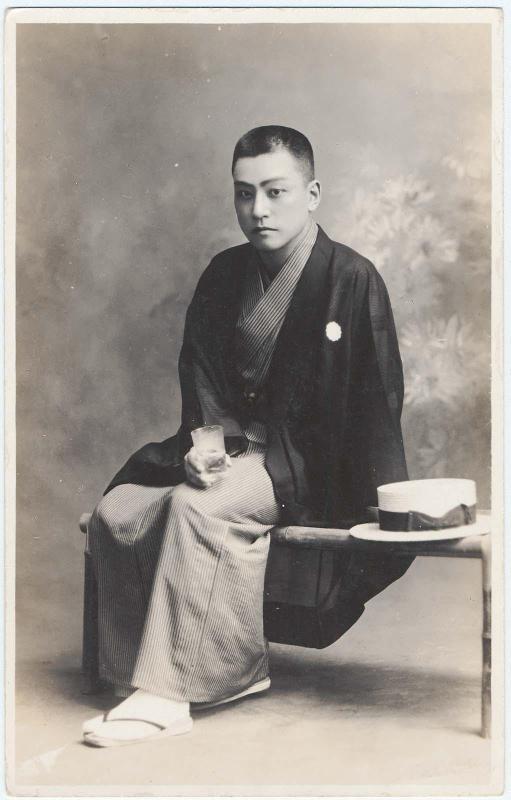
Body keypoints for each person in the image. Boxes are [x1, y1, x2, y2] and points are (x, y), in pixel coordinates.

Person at [82, 125, 412, 748]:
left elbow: (377, 401)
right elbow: (201, 377)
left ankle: (172, 691)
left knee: (193, 506)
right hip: (232, 452)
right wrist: (204, 446)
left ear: (312, 194)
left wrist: (380, 508)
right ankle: (136, 674)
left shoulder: (350, 278)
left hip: (304, 466)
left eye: (275, 192)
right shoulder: (224, 274)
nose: (258, 210)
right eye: (244, 194)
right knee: (117, 511)